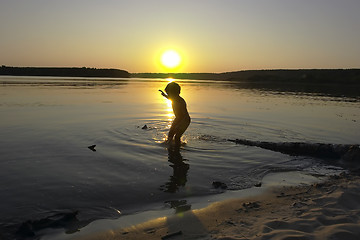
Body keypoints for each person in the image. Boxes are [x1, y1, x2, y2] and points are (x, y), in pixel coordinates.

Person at [159, 82, 191, 146]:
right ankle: (170, 147)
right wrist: (164, 95)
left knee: (177, 137)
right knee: (170, 134)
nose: (168, 95)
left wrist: (179, 125)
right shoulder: (174, 98)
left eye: (169, 93)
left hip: (185, 120)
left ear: (175, 93)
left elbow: (184, 115)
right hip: (178, 118)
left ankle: (177, 149)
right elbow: (170, 98)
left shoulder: (180, 101)